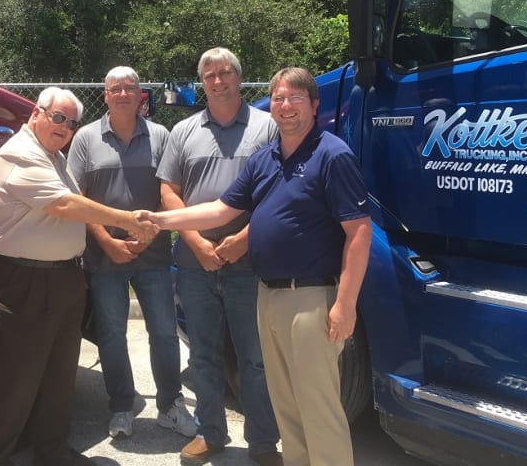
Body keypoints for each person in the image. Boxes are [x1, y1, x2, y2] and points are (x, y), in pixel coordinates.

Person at [145, 67, 372, 466]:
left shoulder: (332, 154)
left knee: (318, 407)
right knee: (287, 405)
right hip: (267, 293)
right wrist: (158, 220)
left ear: (314, 106)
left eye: (295, 98)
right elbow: (219, 210)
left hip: (310, 296)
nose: (286, 106)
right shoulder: (265, 159)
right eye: (279, 98)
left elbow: (359, 232)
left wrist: (346, 304)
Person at [0, 87, 158, 466]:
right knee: (13, 384)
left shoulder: (54, 156)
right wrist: (127, 220)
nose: (64, 127)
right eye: (57, 117)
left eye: (72, 123)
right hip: (21, 282)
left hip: (60, 280)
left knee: (58, 378)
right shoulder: (20, 154)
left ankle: (52, 453)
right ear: (36, 113)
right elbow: (63, 204)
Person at [155, 47, 282, 465]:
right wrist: (195, 242)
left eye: (225, 72)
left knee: (255, 359)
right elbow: (168, 192)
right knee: (203, 356)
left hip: (250, 263)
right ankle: (210, 434)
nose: (217, 80)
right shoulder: (183, 131)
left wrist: (244, 238)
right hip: (195, 266)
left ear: (239, 77)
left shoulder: (267, 126)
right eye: (209, 75)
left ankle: (263, 442)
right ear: (202, 83)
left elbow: (281, 190)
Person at [68, 66, 196, 440]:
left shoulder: (160, 136)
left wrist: (149, 234)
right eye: (115, 88)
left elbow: (169, 193)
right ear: (105, 95)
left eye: (130, 88)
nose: (123, 93)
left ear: (141, 95)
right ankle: (121, 406)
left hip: (154, 256)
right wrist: (107, 241)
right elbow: (78, 199)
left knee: (164, 333)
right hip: (104, 257)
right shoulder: (85, 138)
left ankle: (170, 405)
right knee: (111, 334)